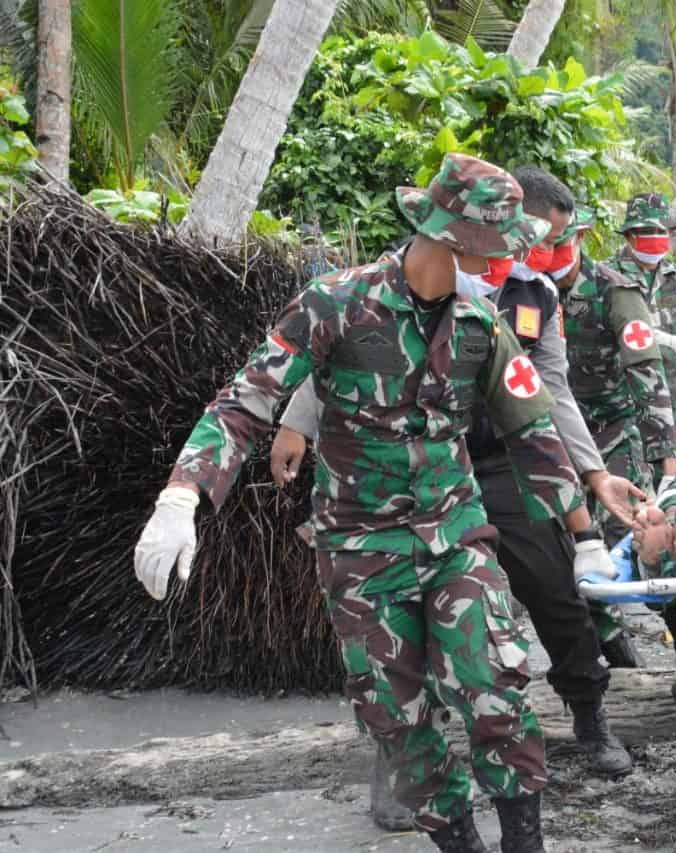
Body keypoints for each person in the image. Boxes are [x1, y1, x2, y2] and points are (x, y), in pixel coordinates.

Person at [132, 154, 619, 853]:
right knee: (398, 720)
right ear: (453, 240)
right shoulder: (337, 303)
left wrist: (587, 535)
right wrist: (181, 496)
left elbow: (535, 433)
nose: (509, 262)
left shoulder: (483, 323)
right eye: (499, 248)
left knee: (495, 689)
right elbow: (246, 400)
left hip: (455, 536)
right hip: (362, 550)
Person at [270, 168, 642, 824]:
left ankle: (589, 709)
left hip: (505, 460)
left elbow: (546, 396)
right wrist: (298, 421)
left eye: (551, 241)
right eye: (529, 238)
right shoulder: (398, 279)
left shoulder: (533, 297)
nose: (537, 252)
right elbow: (345, 354)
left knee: (556, 587)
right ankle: (403, 760)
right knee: (396, 632)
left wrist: (589, 484)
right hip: (418, 467)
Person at [554, 203, 676, 699]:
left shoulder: (613, 291)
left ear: (581, 237)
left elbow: (647, 377)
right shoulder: (524, 289)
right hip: (552, 440)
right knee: (564, 552)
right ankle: (612, 651)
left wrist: (666, 457)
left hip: (611, 431)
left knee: (642, 536)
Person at [610, 193, 676, 455]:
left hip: (674, 392)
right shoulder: (606, 277)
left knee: (673, 468)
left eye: (661, 231)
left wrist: (672, 342)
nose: (656, 237)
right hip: (623, 392)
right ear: (630, 235)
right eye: (647, 231)